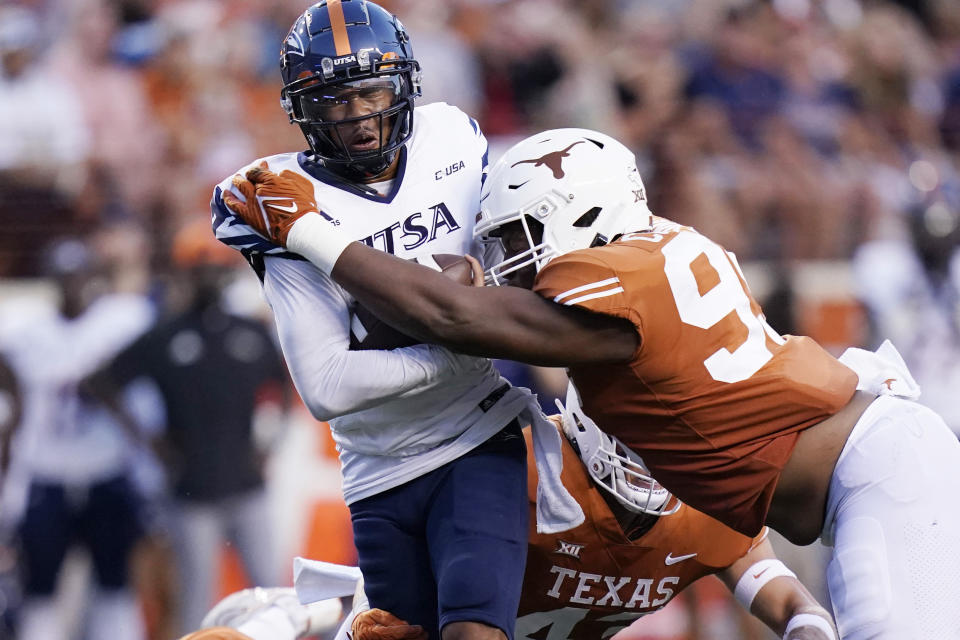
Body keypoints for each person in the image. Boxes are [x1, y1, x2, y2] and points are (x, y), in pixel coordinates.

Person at [223, 127, 960, 639]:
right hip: (875, 465)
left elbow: (456, 314)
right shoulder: (664, 253)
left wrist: (312, 232)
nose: (508, 261)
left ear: (579, 212)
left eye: (517, 237)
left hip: (871, 475)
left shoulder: (618, 282)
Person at [210, 3, 572, 639]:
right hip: (378, 470)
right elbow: (325, 387)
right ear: (302, 107)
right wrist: (458, 346)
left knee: (475, 629)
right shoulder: (285, 199)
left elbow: (515, 262)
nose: (359, 117)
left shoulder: (451, 138)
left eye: (372, 90)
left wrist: (484, 329)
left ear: (403, 82)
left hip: (476, 435)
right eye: (334, 100)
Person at [176, 397, 838, 640]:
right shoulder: (518, 468)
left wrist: (810, 628)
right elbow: (397, 585)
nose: (658, 464)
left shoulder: (708, 507)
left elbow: (783, 597)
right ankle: (280, 616)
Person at [87, 221, 290, 633]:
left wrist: (270, 444)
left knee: (273, 597)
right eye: (199, 268)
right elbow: (101, 382)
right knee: (196, 598)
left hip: (247, 483)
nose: (208, 276)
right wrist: (145, 440)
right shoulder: (165, 335)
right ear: (184, 273)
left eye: (214, 267)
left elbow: (284, 387)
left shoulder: (249, 331)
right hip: (191, 489)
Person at [0, 237, 153, 640]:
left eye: (78, 274)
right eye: (64, 275)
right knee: (39, 590)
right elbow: (13, 409)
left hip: (106, 471)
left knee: (115, 587)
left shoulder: (123, 321)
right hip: (46, 473)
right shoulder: (24, 330)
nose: (71, 284)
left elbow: (142, 400)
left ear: (92, 277)